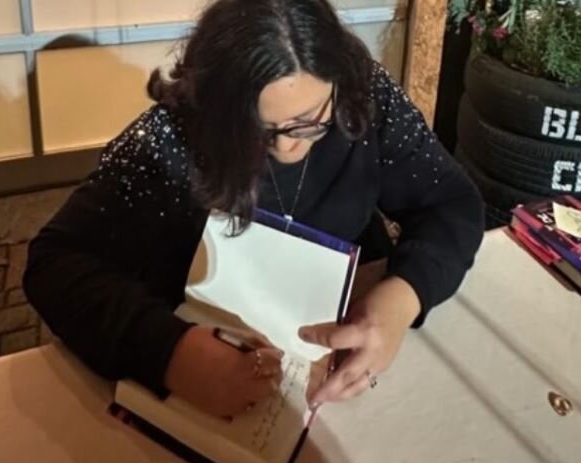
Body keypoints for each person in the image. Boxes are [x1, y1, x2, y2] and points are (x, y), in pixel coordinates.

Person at [24, 0, 485, 419]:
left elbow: (451, 203)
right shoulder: (170, 139)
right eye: (257, 129)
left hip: (341, 363)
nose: (286, 145)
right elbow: (54, 264)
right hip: (217, 366)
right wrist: (170, 353)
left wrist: (400, 300)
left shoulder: (362, 96)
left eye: (308, 123)